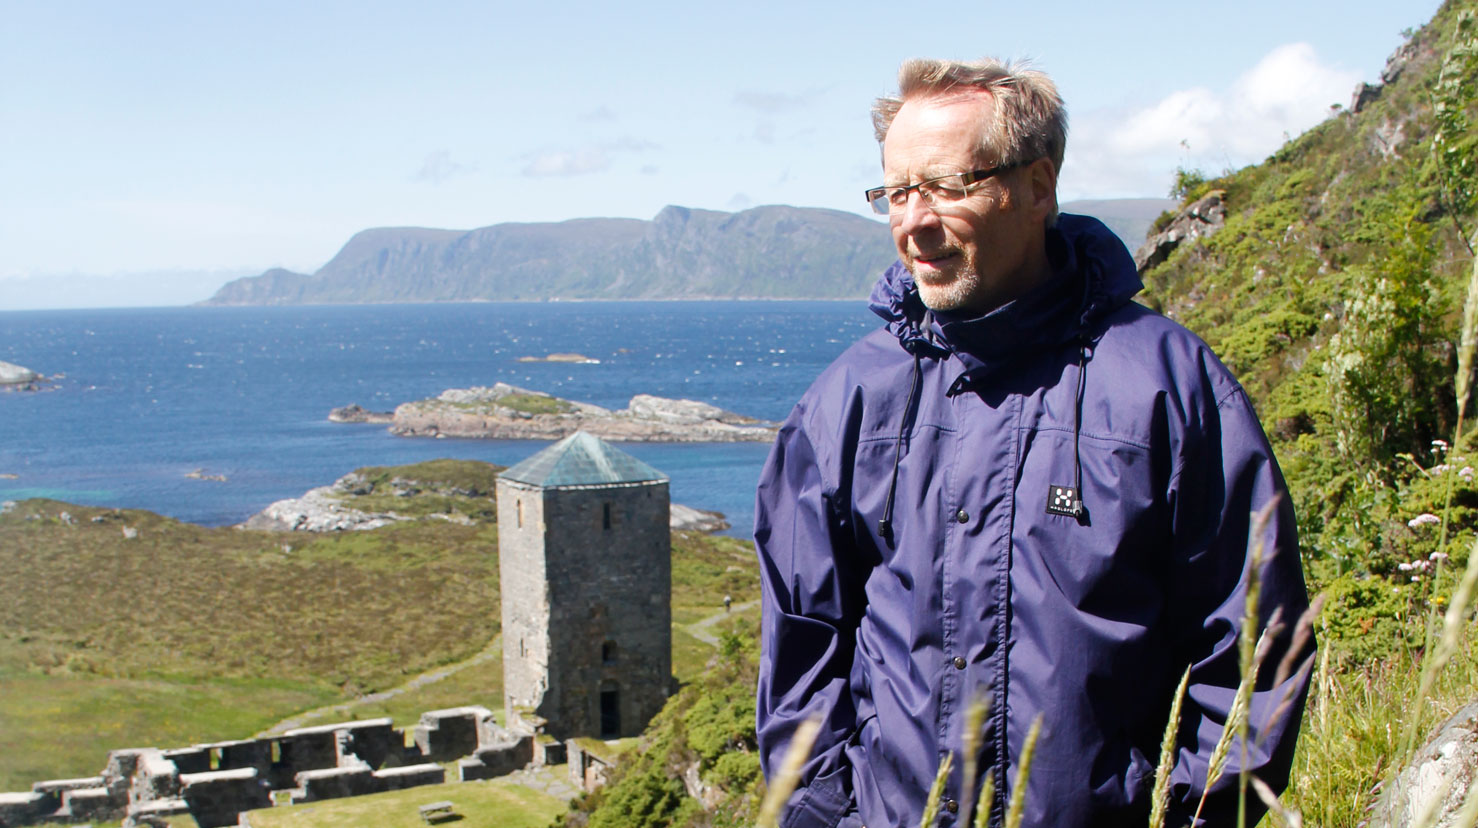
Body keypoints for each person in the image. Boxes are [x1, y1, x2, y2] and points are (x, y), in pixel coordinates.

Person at [753, 58, 1312, 828]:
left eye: (948, 186)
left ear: (1039, 186)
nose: (914, 223)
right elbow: (801, 661)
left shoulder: (1167, 387)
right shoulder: (847, 402)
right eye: (898, 192)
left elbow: (1255, 649)